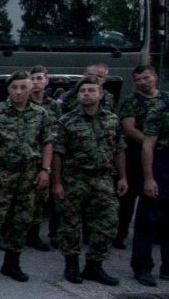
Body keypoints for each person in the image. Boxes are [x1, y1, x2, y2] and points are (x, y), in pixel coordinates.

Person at [0, 71, 53, 283]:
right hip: (1, 173)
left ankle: (12, 264)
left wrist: (45, 170)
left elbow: (47, 143)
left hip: (28, 175)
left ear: (30, 89)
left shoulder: (41, 114)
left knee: (22, 220)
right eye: (14, 88)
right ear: (8, 89)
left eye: (23, 87)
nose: (18, 92)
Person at [52, 75, 126, 285]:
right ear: (77, 96)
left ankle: (95, 265)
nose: (87, 94)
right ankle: (72, 265)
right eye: (83, 91)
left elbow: (119, 149)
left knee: (108, 223)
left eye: (92, 90)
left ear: (101, 94)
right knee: (70, 225)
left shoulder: (112, 120)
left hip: (102, 179)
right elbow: (58, 153)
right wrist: (57, 182)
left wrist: (123, 177)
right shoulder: (66, 121)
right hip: (74, 178)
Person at [116, 65, 167, 251]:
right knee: (129, 197)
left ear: (155, 77)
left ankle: (159, 235)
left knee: (161, 197)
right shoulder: (131, 101)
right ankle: (120, 233)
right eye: (138, 79)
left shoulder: (166, 99)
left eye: (146, 78)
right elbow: (129, 128)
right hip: (136, 154)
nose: (142, 82)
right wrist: (151, 142)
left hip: (161, 157)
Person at [133, 70, 169, 286]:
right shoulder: (160, 108)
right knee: (148, 220)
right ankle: (142, 267)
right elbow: (147, 146)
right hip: (161, 164)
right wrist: (149, 178)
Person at [27, 65, 60, 251]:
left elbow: (56, 134)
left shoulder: (54, 106)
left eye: (40, 78)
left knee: (40, 200)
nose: (36, 82)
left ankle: (34, 234)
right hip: (25, 159)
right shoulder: (23, 102)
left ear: (46, 81)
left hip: (46, 158)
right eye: (33, 78)